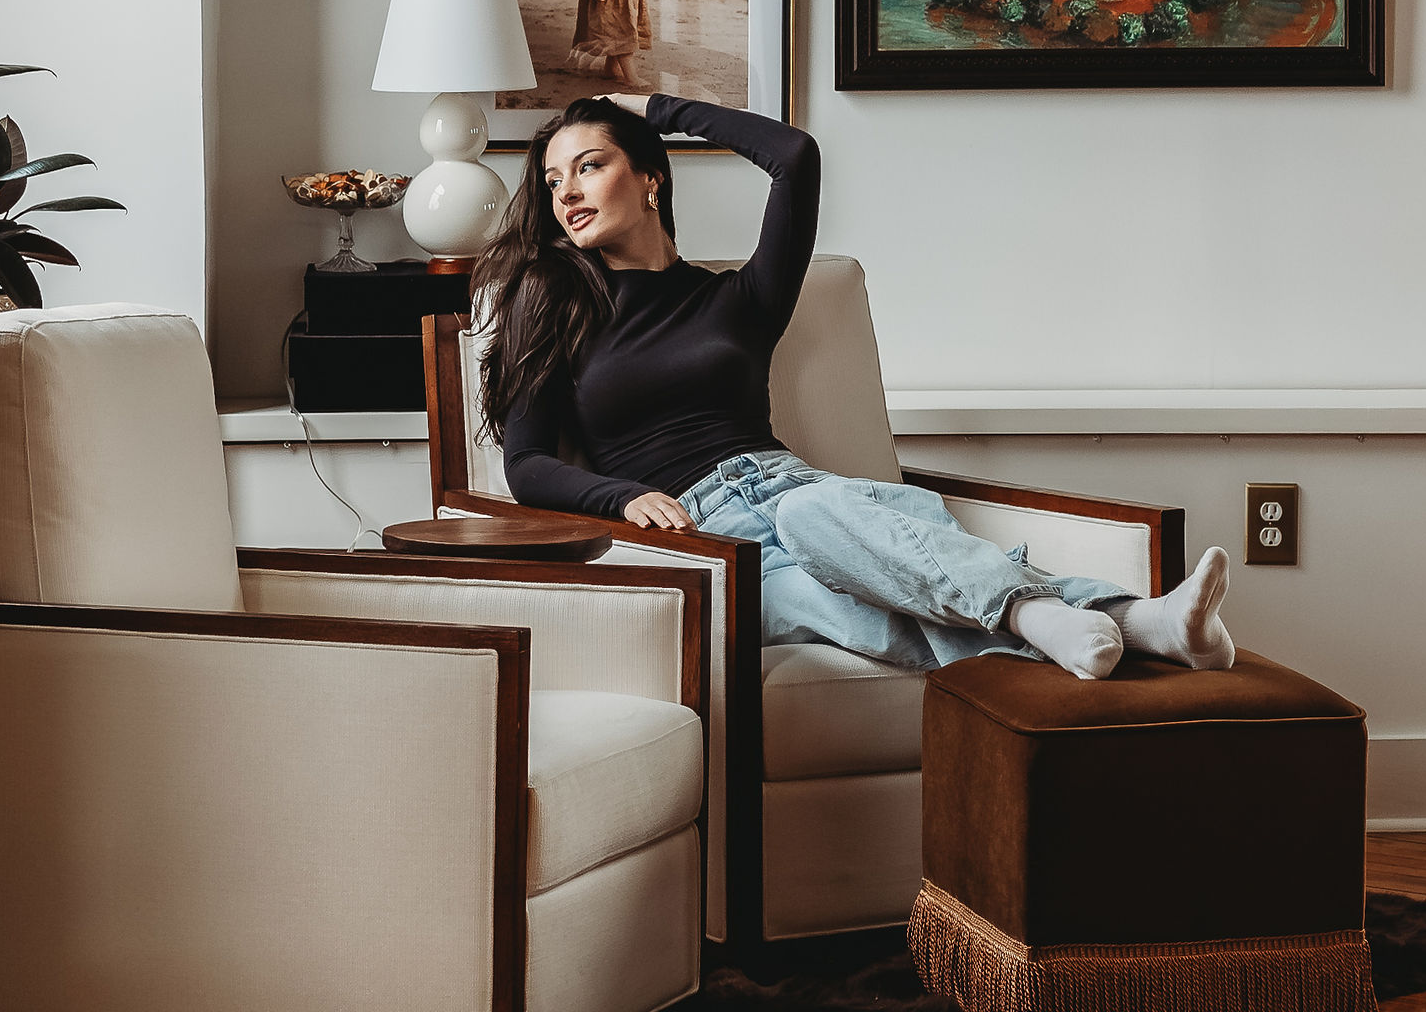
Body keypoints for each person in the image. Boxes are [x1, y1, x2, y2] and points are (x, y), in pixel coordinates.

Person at [478, 90, 1234, 680]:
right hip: (706, 540)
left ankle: (1068, 620)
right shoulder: (550, 304)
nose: (566, 192)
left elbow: (795, 156)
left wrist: (653, 110)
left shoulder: (737, 300)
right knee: (820, 603)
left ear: (650, 177)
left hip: (796, 493)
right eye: (551, 180)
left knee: (814, 511)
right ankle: (1126, 623)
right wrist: (620, 496)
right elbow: (528, 465)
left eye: (589, 164)